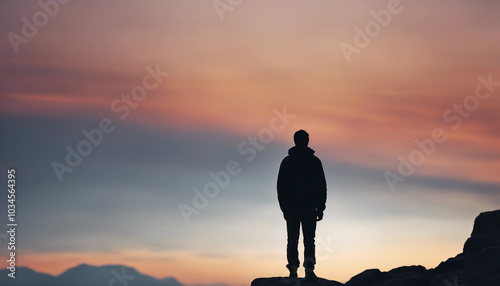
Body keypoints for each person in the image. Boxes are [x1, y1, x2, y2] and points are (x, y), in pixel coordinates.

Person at [277, 130, 327, 280]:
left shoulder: (288, 162)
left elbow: (280, 187)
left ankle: (295, 270)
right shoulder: (314, 162)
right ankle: (307, 271)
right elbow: (321, 186)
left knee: (293, 239)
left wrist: (284, 207)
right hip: (306, 208)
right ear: (307, 141)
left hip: (296, 208)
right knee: (307, 240)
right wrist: (321, 206)